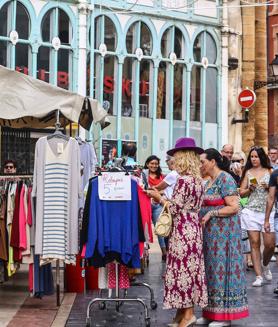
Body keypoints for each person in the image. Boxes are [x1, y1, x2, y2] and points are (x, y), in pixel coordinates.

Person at [146, 137, 208, 327]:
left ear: (183, 158)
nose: (173, 161)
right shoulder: (198, 180)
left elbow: (174, 208)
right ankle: (183, 313)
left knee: (182, 270)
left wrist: (158, 196)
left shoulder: (183, 181)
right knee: (190, 268)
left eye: (176, 157)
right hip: (193, 227)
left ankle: (188, 314)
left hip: (182, 229)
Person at [197, 148, 248, 327]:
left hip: (224, 238)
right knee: (210, 273)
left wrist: (212, 213)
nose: (200, 165)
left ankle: (224, 316)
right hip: (210, 238)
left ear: (213, 161)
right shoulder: (208, 182)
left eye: (202, 161)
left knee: (223, 273)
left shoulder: (225, 179)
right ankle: (210, 312)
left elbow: (234, 207)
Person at [240, 146, 275, 287]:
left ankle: (265, 265)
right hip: (251, 211)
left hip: (268, 212)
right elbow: (241, 193)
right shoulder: (247, 172)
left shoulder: (270, 171)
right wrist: (250, 189)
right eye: (252, 157)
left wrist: (269, 187)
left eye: (256, 156)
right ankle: (259, 275)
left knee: (270, 244)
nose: (254, 159)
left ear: (262, 157)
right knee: (254, 244)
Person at [142, 155, 166, 260]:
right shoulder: (143, 175)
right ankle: (144, 254)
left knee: (160, 229)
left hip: (157, 205)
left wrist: (155, 192)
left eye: (156, 164)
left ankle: (164, 252)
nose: (154, 165)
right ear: (147, 164)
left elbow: (166, 190)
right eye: (152, 163)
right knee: (144, 230)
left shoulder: (162, 177)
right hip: (146, 204)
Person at [264, 168, 278, 293]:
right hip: (277, 216)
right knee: (274, 247)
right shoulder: (275, 174)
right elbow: (270, 197)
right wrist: (267, 219)